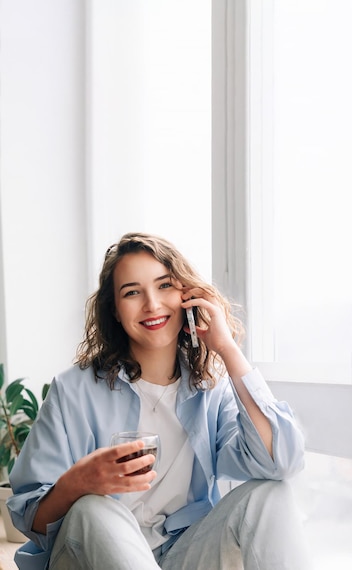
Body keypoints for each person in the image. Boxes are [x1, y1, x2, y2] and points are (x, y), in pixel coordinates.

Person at [7, 232, 312, 569]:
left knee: (270, 495)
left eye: (164, 285)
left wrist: (226, 348)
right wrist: (79, 482)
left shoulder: (211, 390)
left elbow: (279, 462)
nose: (152, 304)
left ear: (187, 295)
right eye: (133, 292)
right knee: (94, 508)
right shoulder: (73, 390)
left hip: (182, 553)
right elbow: (29, 518)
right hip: (90, 555)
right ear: (116, 310)